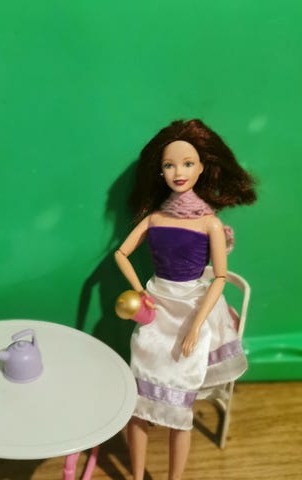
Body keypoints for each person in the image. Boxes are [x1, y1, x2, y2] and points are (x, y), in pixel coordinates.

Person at [114, 119, 256, 480]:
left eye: (188, 163)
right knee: (138, 403)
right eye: (169, 165)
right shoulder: (155, 218)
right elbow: (121, 253)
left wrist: (196, 325)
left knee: (182, 408)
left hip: (193, 308)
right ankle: (136, 474)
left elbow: (219, 277)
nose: (179, 172)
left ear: (202, 168)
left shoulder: (210, 223)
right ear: (160, 171)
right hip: (157, 306)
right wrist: (140, 290)